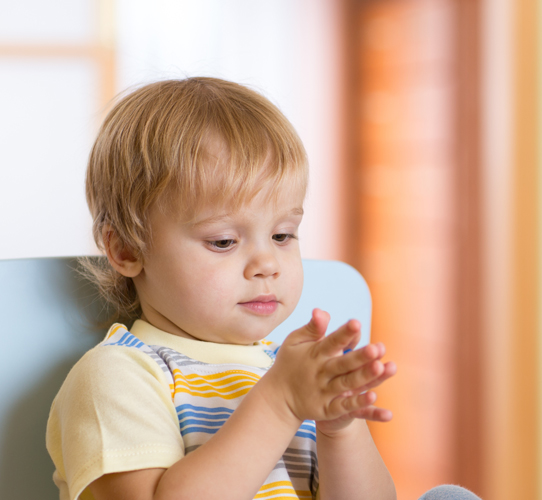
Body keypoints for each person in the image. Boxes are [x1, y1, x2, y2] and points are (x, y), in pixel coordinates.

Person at [46, 77, 400, 500]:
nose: (267, 264)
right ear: (126, 249)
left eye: (283, 235)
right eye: (224, 241)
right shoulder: (120, 376)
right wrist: (278, 404)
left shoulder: (287, 372)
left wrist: (339, 429)